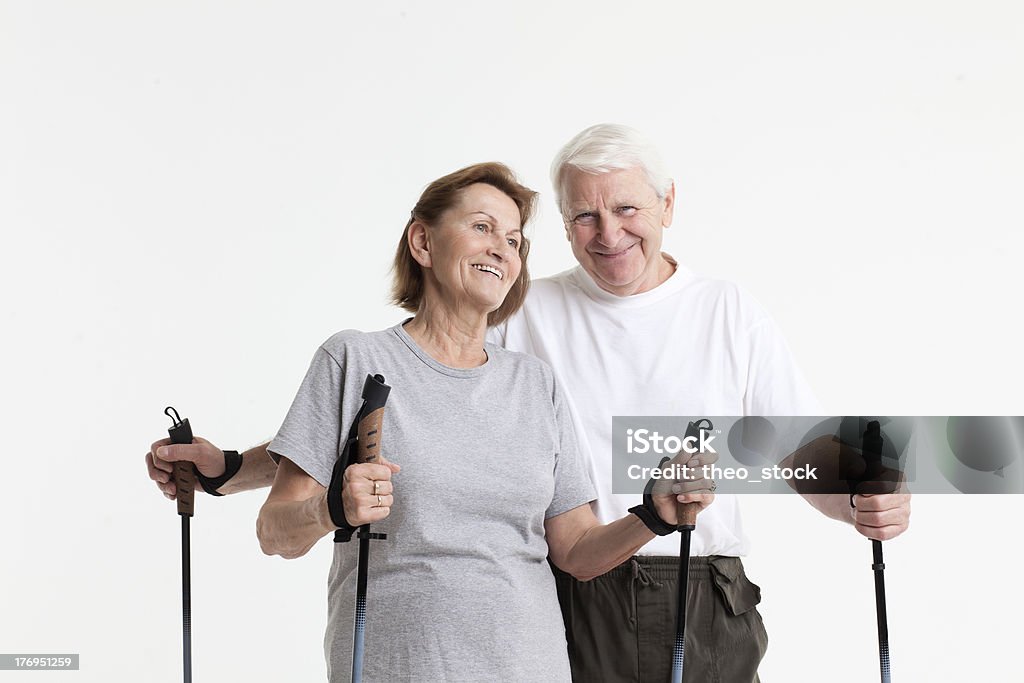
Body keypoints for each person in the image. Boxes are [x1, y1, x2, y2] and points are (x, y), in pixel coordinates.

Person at [147, 126, 911, 682]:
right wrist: (225, 470)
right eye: (582, 216)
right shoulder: (517, 309)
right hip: (571, 598)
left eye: (628, 210)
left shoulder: (725, 311)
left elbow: (798, 445)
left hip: (692, 585)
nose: (608, 233)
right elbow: (361, 416)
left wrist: (859, 503)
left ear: (668, 204)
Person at [234, 161, 711, 682]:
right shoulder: (353, 359)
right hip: (399, 669)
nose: (501, 249)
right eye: (482, 227)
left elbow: (575, 549)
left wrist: (654, 515)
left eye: (513, 240)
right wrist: (333, 509)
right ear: (422, 242)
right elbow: (274, 530)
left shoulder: (537, 385)